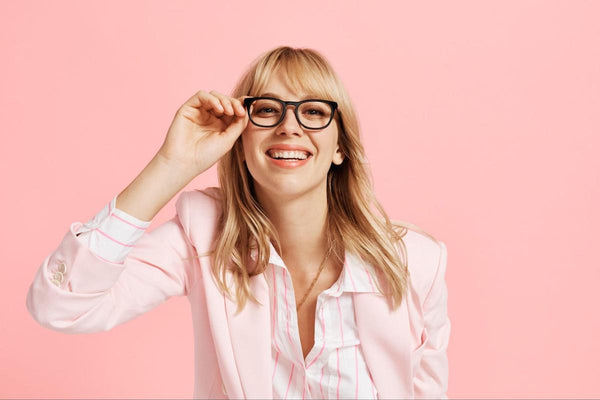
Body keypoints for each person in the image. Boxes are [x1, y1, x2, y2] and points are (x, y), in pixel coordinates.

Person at [26, 46, 450, 399]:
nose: (289, 127)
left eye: (314, 111)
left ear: (340, 147)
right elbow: (60, 305)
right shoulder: (202, 240)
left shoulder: (416, 263)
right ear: (240, 142)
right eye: (267, 110)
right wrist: (171, 166)